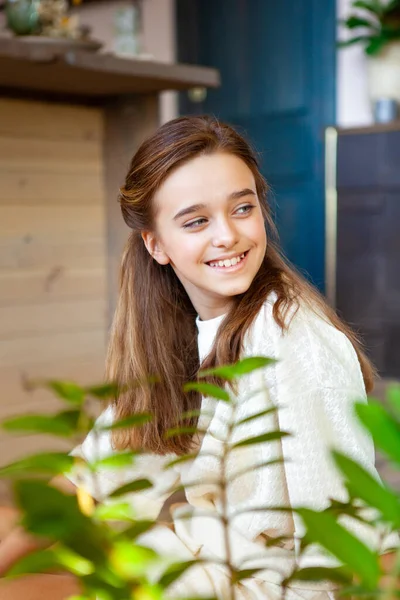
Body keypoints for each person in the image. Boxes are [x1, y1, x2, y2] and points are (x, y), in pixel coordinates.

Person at [0, 116, 397, 600]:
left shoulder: (293, 340)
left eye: (242, 208)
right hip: (203, 560)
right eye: (196, 221)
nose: (228, 235)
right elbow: (100, 472)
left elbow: (347, 531)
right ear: (156, 244)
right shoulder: (181, 337)